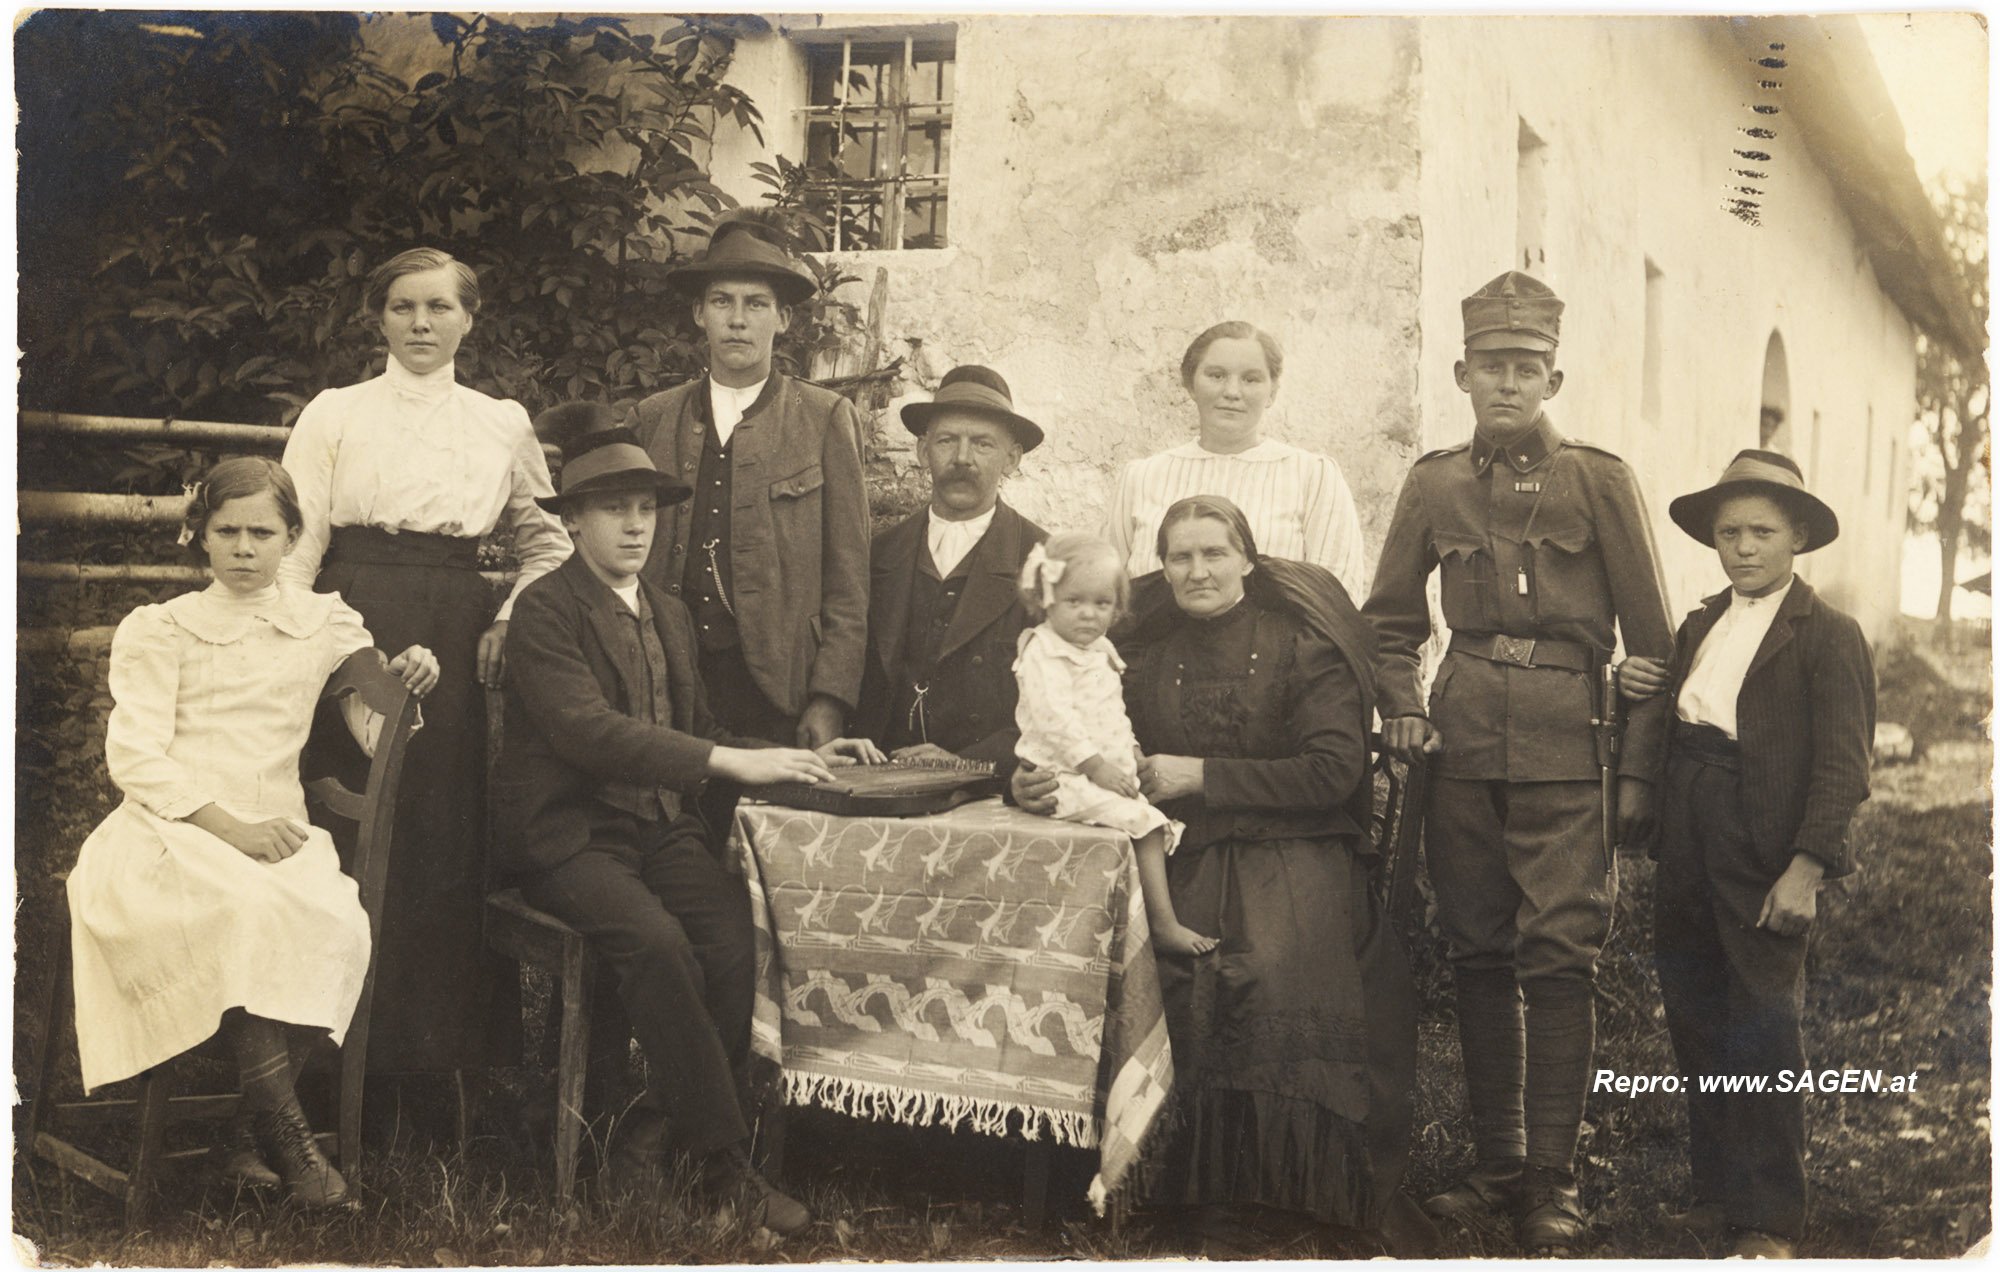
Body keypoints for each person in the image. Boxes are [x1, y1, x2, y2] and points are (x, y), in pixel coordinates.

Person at [494, 428, 883, 1236]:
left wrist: (798, 751)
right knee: (657, 943)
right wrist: (723, 762)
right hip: (570, 839)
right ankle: (724, 1170)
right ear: (572, 523)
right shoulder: (544, 610)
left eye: (646, 510)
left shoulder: (666, 613)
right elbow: (589, 732)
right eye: (612, 511)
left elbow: (701, 729)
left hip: (658, 830)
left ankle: (651, 1131)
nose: (635, 526)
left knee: (732, 938)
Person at [1015, 496, 1422, 1255]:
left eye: (1213, 553)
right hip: (1183, 846)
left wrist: (1201, 773)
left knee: (1264, 964)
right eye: (1179, 557)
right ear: (1160, 569)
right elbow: (1067, 730)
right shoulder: (1133, 651)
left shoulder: (1305, 646)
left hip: (1295, 842)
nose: (1196, 571)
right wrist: (1030, 780)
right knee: (1165, 961)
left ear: (1247, 558)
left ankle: (1292, 1186)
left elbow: (1333, 771)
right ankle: (1182, 1184)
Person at [1361, 271, 1675, 1253]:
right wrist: (1405, 709)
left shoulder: (1599, 481)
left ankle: (1552, 1177)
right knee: (1476, 952)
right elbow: (1387, 624)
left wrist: (1631, 774)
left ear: (1553, 377)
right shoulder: (1432, 483)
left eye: (1525, 368)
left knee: (1560, 960)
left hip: (1565, 750)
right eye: (1490, 367)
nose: (1507, 383)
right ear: (1460, 374)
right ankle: (1494, 1166)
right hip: (1458, 750)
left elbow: (1652, 646)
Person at [67, 458, 439, 1206]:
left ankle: (244, 1136)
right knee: (246, 913)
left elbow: (371, 729)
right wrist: (229, 829)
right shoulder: (162, 629)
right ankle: (293, 1149)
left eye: (262, 532)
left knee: (334, 919)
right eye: (226, 531)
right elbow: (135, 757)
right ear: (197, 537)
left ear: (292, 538)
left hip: (278, 830)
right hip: (170, 827)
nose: (244, 548)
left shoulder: (321, 621)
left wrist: (405, 678)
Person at [279, 246, 570, 1089]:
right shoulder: (335, 413)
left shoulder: (500, 420)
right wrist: (309, 650)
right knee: (351, 832)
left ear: (468, 319)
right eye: (404, 307)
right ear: (379, 316)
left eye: (439, 308)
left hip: (453, 630)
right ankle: (329, 1071)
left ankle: (438, 1072)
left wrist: (509, 614)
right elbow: (299, 548)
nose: (420, 324)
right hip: (349, 625)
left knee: (441, 837)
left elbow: (547, 542)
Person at [1616, 450, 1874, 1260]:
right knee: (1695, 1005)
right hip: (1688, 820)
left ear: (1797, 536)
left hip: (1762, 835)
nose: (1744, 548)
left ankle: (1769, 1217)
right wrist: (1633, 685)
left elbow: (1843, 766)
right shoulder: (1702, 622)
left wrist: (1806, 868)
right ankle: (1716, 1192)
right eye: (1729, 532)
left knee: (1761, 1018)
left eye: (1762, 531)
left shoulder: (1828, 636)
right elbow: (1671, 704)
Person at [631, 214, 869, 750]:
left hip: (777, 685)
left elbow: (849, 579)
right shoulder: (653, 418)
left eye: (756, 304)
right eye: (722, 302)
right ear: (699, 313)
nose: (737, 320)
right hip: (668, 678)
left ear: (783, 318)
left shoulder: (824, 417)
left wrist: (829, 696)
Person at [1012, 535, 1205, 956]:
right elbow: (1054, 720)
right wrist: (1097, 766)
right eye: (1074, 601)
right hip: (1062, 775)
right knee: (1147, 823)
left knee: (1148, 819)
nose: (1087, 614)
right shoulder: (1042, 651)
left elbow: (1112, 713)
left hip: (1101, 769)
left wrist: (1131, 752)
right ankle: (1164, 924)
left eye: (1101, 604)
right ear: (1046, 600)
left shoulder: (1100, 650)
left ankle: (1135, 922)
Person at [852, 364, 1048, 763]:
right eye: (946, 441)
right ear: (923, 452)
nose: (962, 458)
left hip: (991, 790)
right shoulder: (877, 555)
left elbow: (1060, 705)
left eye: (982, 444)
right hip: (881, 779)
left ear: (1011, 459)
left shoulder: (1044, 562)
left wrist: (972, 763)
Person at [1104, 321, 1365, 598]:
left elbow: (1336, 600)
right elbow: (1109, 591)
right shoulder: (1142, 477)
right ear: (1191, 385)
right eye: (1216, 376)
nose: (1232, 391)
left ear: (1272, 392)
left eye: (1251, 379)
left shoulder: (1313, 476)